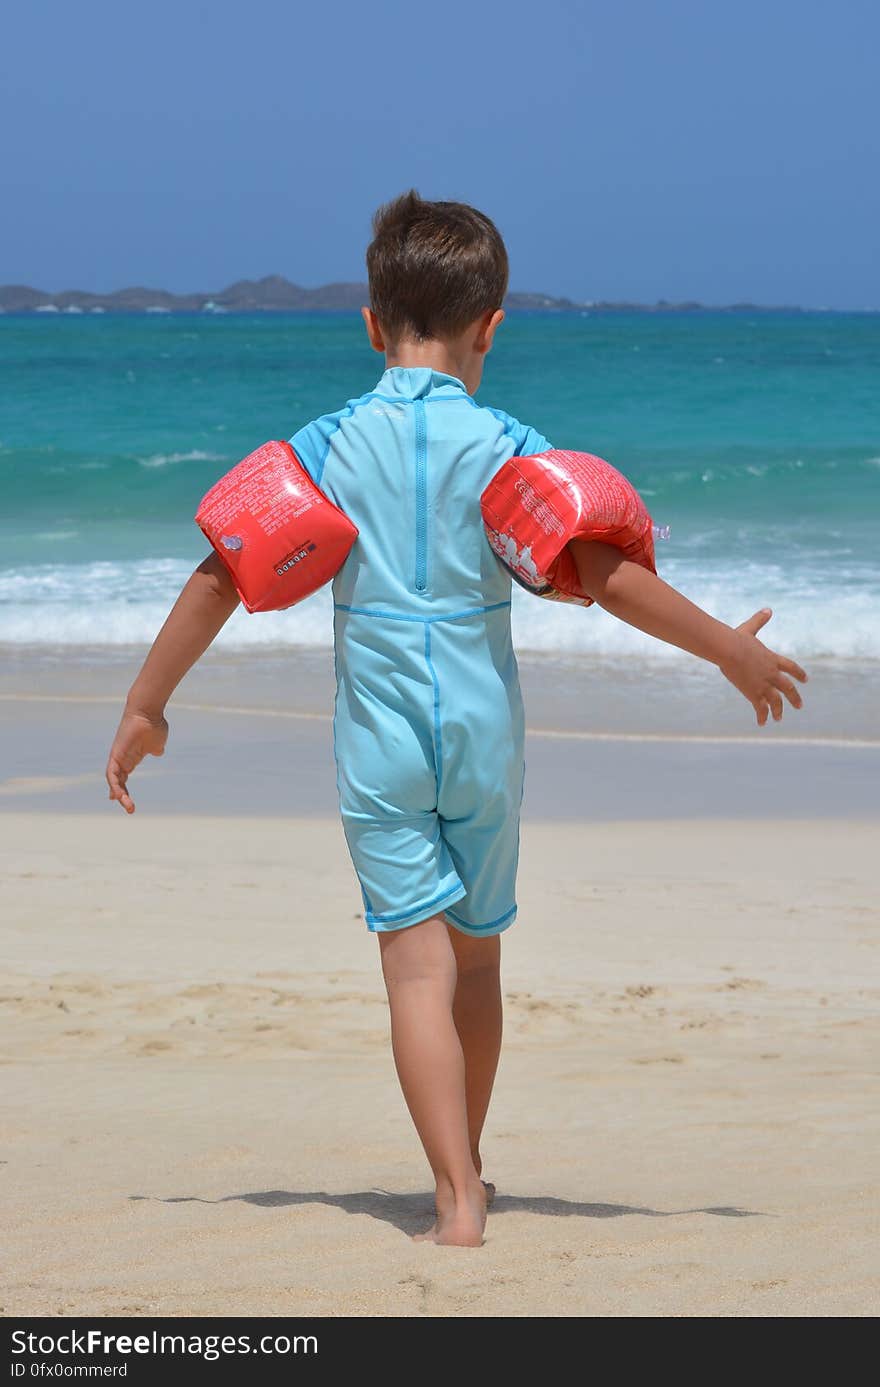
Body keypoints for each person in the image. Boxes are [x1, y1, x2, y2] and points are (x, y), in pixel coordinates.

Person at [105, 190, 807, 1247]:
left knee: (413, 970)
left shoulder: (329, 443)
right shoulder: (512, 447)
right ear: (492, 328)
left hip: (379, 743)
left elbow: (223, 576)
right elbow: (605, 575)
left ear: (370, 323)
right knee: (474, 962)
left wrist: (146, 704)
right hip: (483, 738)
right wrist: (731, 651)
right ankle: (466, 1164)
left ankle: (453, 1197)